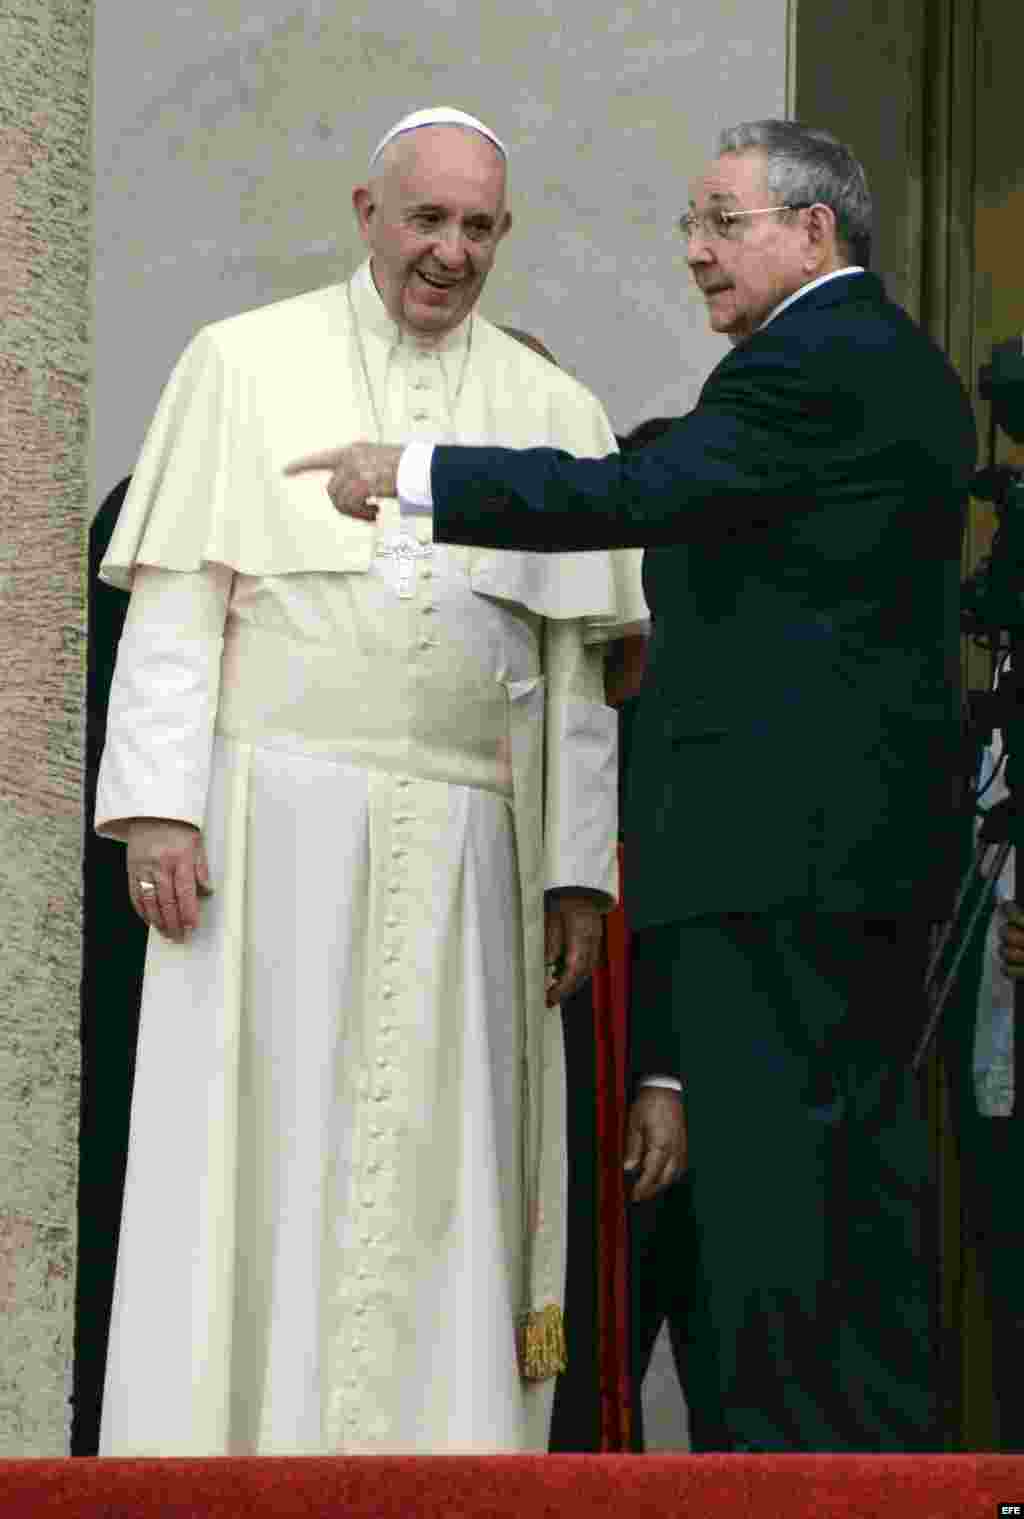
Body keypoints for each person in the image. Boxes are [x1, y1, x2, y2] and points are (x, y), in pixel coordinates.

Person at [292, 119, 978, 1450]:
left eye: (722, 222)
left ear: (813, 232)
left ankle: (803, 1483)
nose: (695, 252)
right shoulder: (893, 361)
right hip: (851, 864)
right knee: (849, 1206)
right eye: (690, 225)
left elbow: (640, 490)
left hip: (782, 865)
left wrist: (412, 474)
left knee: (783, 1224)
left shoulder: (814, 361)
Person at [94, 106, 647, 1456]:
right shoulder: (239, 362)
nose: (450, 252)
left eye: (478, 228)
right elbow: (177, 604)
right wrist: (158, 805)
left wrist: (576, 871)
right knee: (257, 1159)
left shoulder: (555, 410)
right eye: (426, 220)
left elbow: (576, 677)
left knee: (444, 1170)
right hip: (266, 829)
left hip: (469, 848)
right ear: (367, 213)